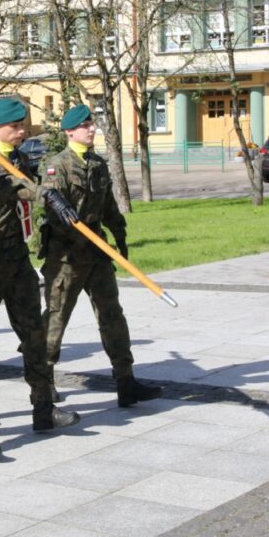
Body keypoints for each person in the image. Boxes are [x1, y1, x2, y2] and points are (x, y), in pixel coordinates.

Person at [0, 98, 79, 431]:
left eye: (23, 124)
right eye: (14, 126)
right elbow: (9, 185)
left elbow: (28, 182)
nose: (21, 130)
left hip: (17, 260)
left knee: (35, 335)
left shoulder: (21, 158)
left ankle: (43, 407)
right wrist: (44, 195)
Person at [38, 104, 162, 408]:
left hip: (96, 252)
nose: (92, 129)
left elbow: (108, 206)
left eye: (92, 124)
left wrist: (120, 237)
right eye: (85, 125)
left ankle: (125, 380)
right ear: (70, 132)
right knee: (55, 319)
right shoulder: (57, 166)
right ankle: (43, 381)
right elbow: (52, 209)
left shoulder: (98, 164)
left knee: (112, 316)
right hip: (66, 255)